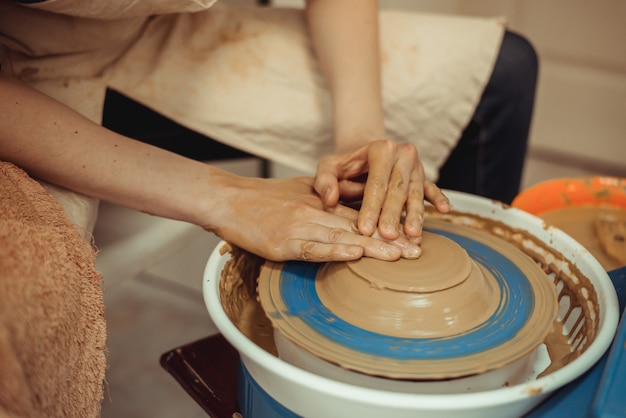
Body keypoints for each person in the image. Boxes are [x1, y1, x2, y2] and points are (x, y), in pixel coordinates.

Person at [0, 0, 537, 262]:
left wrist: (359, 133)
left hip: (150, 29)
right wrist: (221, 196)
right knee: (33, 307)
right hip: (20, 74)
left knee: (505, 71)